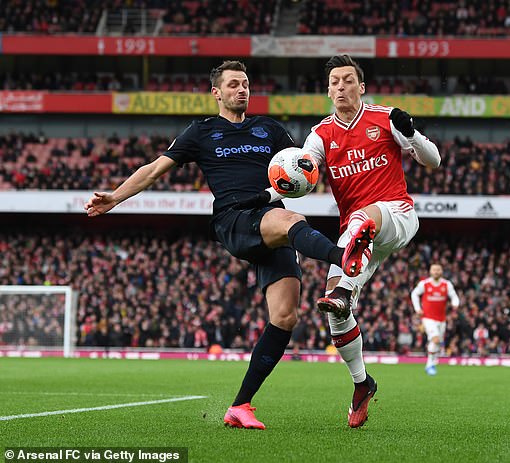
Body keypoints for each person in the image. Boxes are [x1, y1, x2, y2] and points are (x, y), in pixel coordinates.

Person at [84, 60, 374, 430]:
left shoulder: (268, 129)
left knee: (285, 316)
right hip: (235, 218)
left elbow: (304, 165)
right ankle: (343, 256)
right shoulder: (201, 132)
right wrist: (115, 198)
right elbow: (155, 169)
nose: (242, 90)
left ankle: (240, 406)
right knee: (293, 222)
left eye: (246, 84)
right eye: (234, 84)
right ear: (216, 92)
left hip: (270, 217)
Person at [302, 55, 440, 427]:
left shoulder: (385, 117)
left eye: (348, 80)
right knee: (335, 315)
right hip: (355, 236)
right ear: (329, 89)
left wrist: (410, 134)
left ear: (361, 87)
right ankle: (362, 383)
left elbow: (434, 160)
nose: (341, 87)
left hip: (396, 216)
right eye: (334, 82)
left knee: (364, 218)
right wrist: (281, 184)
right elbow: (304, 174)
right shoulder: (320, 135)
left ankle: (345, 290)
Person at [410, 263, 460, 376]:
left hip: (442, 319)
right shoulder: (425, 284)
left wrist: (455, 304)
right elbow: (414, 294)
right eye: (434, 270)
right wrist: (418, 309)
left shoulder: (446, 284)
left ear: (441, 271)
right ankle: (429, 365)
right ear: (430, 271)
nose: (436, 272)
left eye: (438, 270)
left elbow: (454, 296)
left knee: (438, 342)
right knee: (436, 339)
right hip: (428, 318)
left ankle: (432, 362)